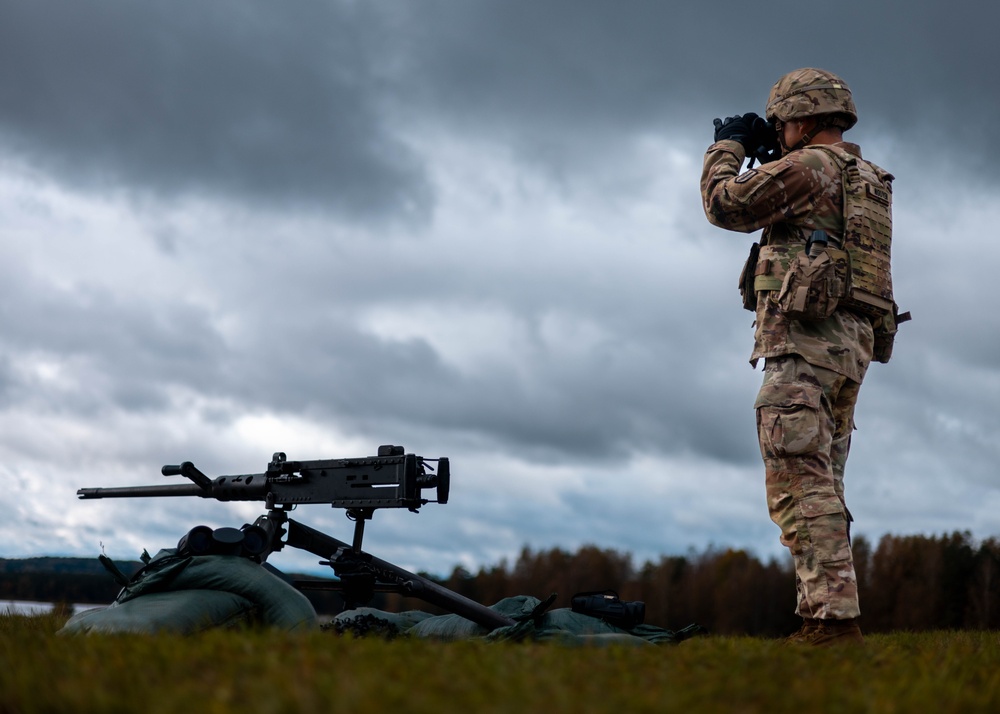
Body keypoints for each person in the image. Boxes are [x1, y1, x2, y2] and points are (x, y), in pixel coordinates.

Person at [699, 68, 902, 646]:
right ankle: (828, 617)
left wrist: (728, 148)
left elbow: (726, 205)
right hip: (848, 347)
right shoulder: (864, 176)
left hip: (807, 346)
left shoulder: (811, 167)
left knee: (798, 481)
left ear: (805, 118)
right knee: (822, 481)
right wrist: (771, 154)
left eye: (785, 121)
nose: (781, 131)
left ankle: (831, 626)